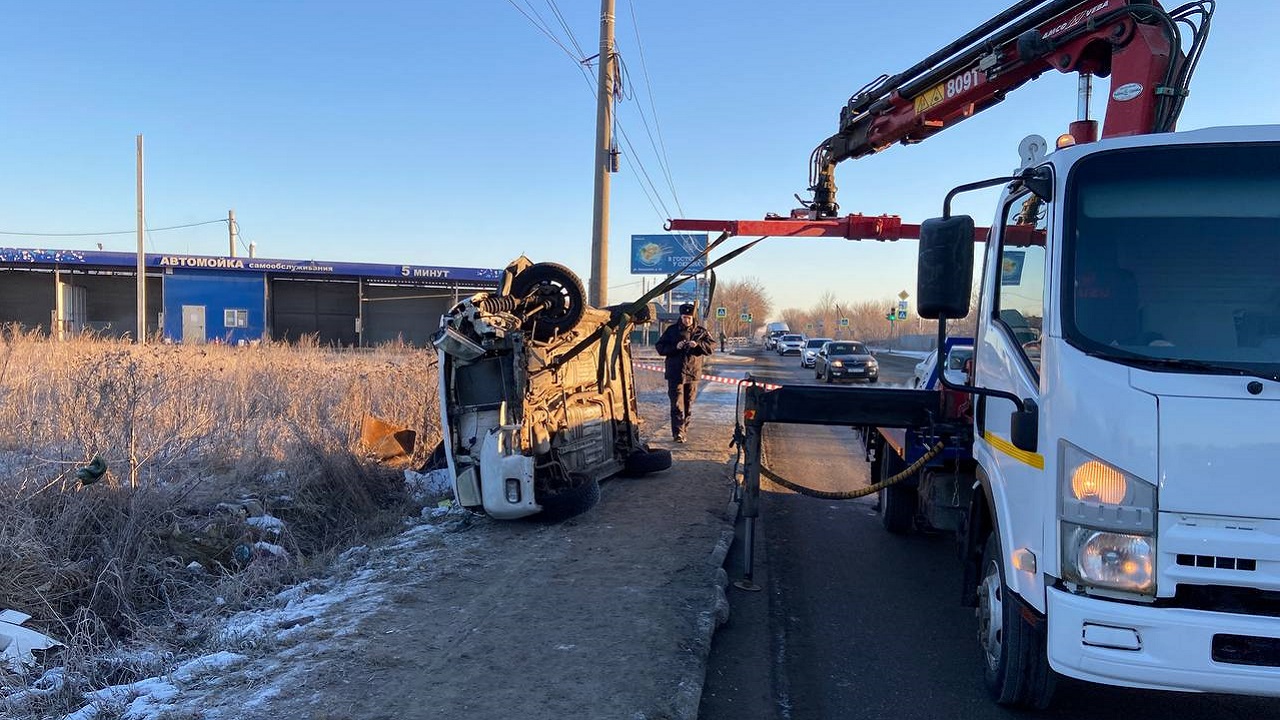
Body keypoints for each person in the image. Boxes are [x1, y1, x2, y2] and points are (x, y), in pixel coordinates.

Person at [656, 303, 713, 443]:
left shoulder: (700, 332)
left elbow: (711, 346)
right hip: (675, 373)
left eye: (689, 318)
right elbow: (660, 347)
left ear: (693, 318)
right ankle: (678, 433)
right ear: (680, 317)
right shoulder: (671, 330)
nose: (686, 320)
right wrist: (675, 347)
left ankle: (684, 429)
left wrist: (698, 345)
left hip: (692, 374)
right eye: (684, 317)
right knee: (676, 404)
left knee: (688, 404)